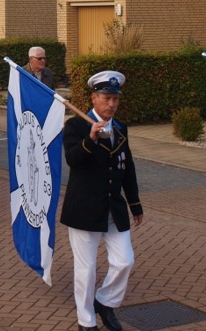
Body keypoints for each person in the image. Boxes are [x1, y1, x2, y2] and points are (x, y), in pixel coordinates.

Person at [60, 71, 143, 331]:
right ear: (94, 98)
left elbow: (126, 166)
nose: (112, 104)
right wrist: (91, 139)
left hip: (113, 208)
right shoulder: (75, 126)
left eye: (115, 99)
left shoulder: (120, 128)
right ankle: (86, 321)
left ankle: (104, 301)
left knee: (124, 261)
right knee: (86, 270)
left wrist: (135, 203)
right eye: (106, 98)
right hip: (84, 208)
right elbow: (73, 159)